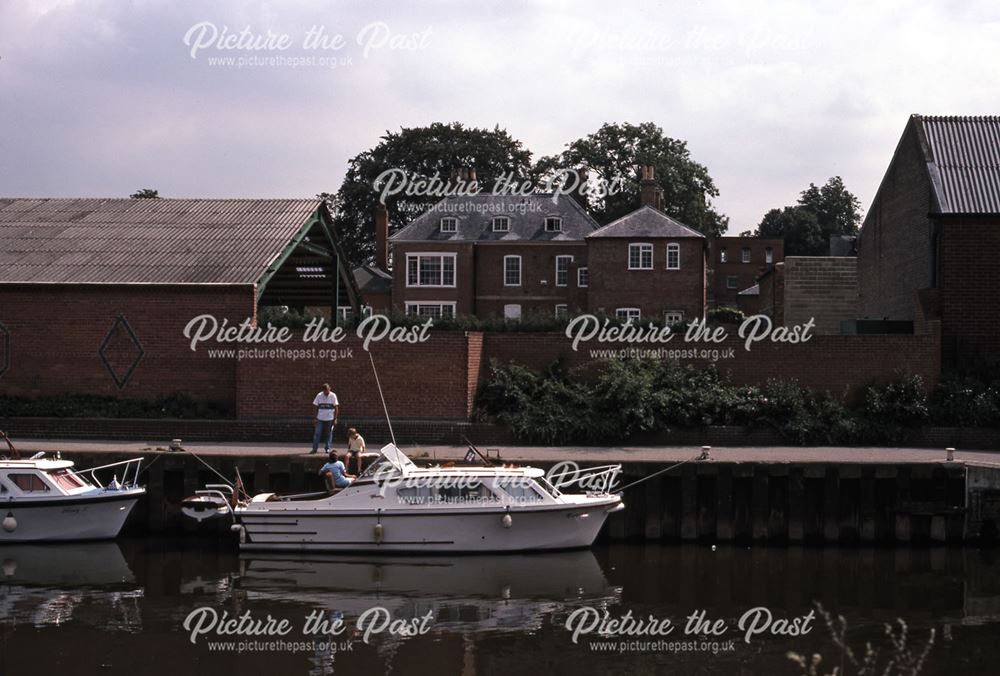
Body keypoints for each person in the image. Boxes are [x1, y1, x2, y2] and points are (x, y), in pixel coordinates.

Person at [310, 383, 340, 454]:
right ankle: (315, 448)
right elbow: (315, 407)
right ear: (323, 390)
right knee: (317, 433)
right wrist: (315, 418)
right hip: (320, 418)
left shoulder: (333, 395)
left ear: (330, 389)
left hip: (330, 418)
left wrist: (335, 418)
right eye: (325, 391)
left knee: (328, 434)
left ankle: (327, 448)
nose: (326, 392)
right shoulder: (319, 395)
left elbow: (336, 407)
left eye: (327, 391)